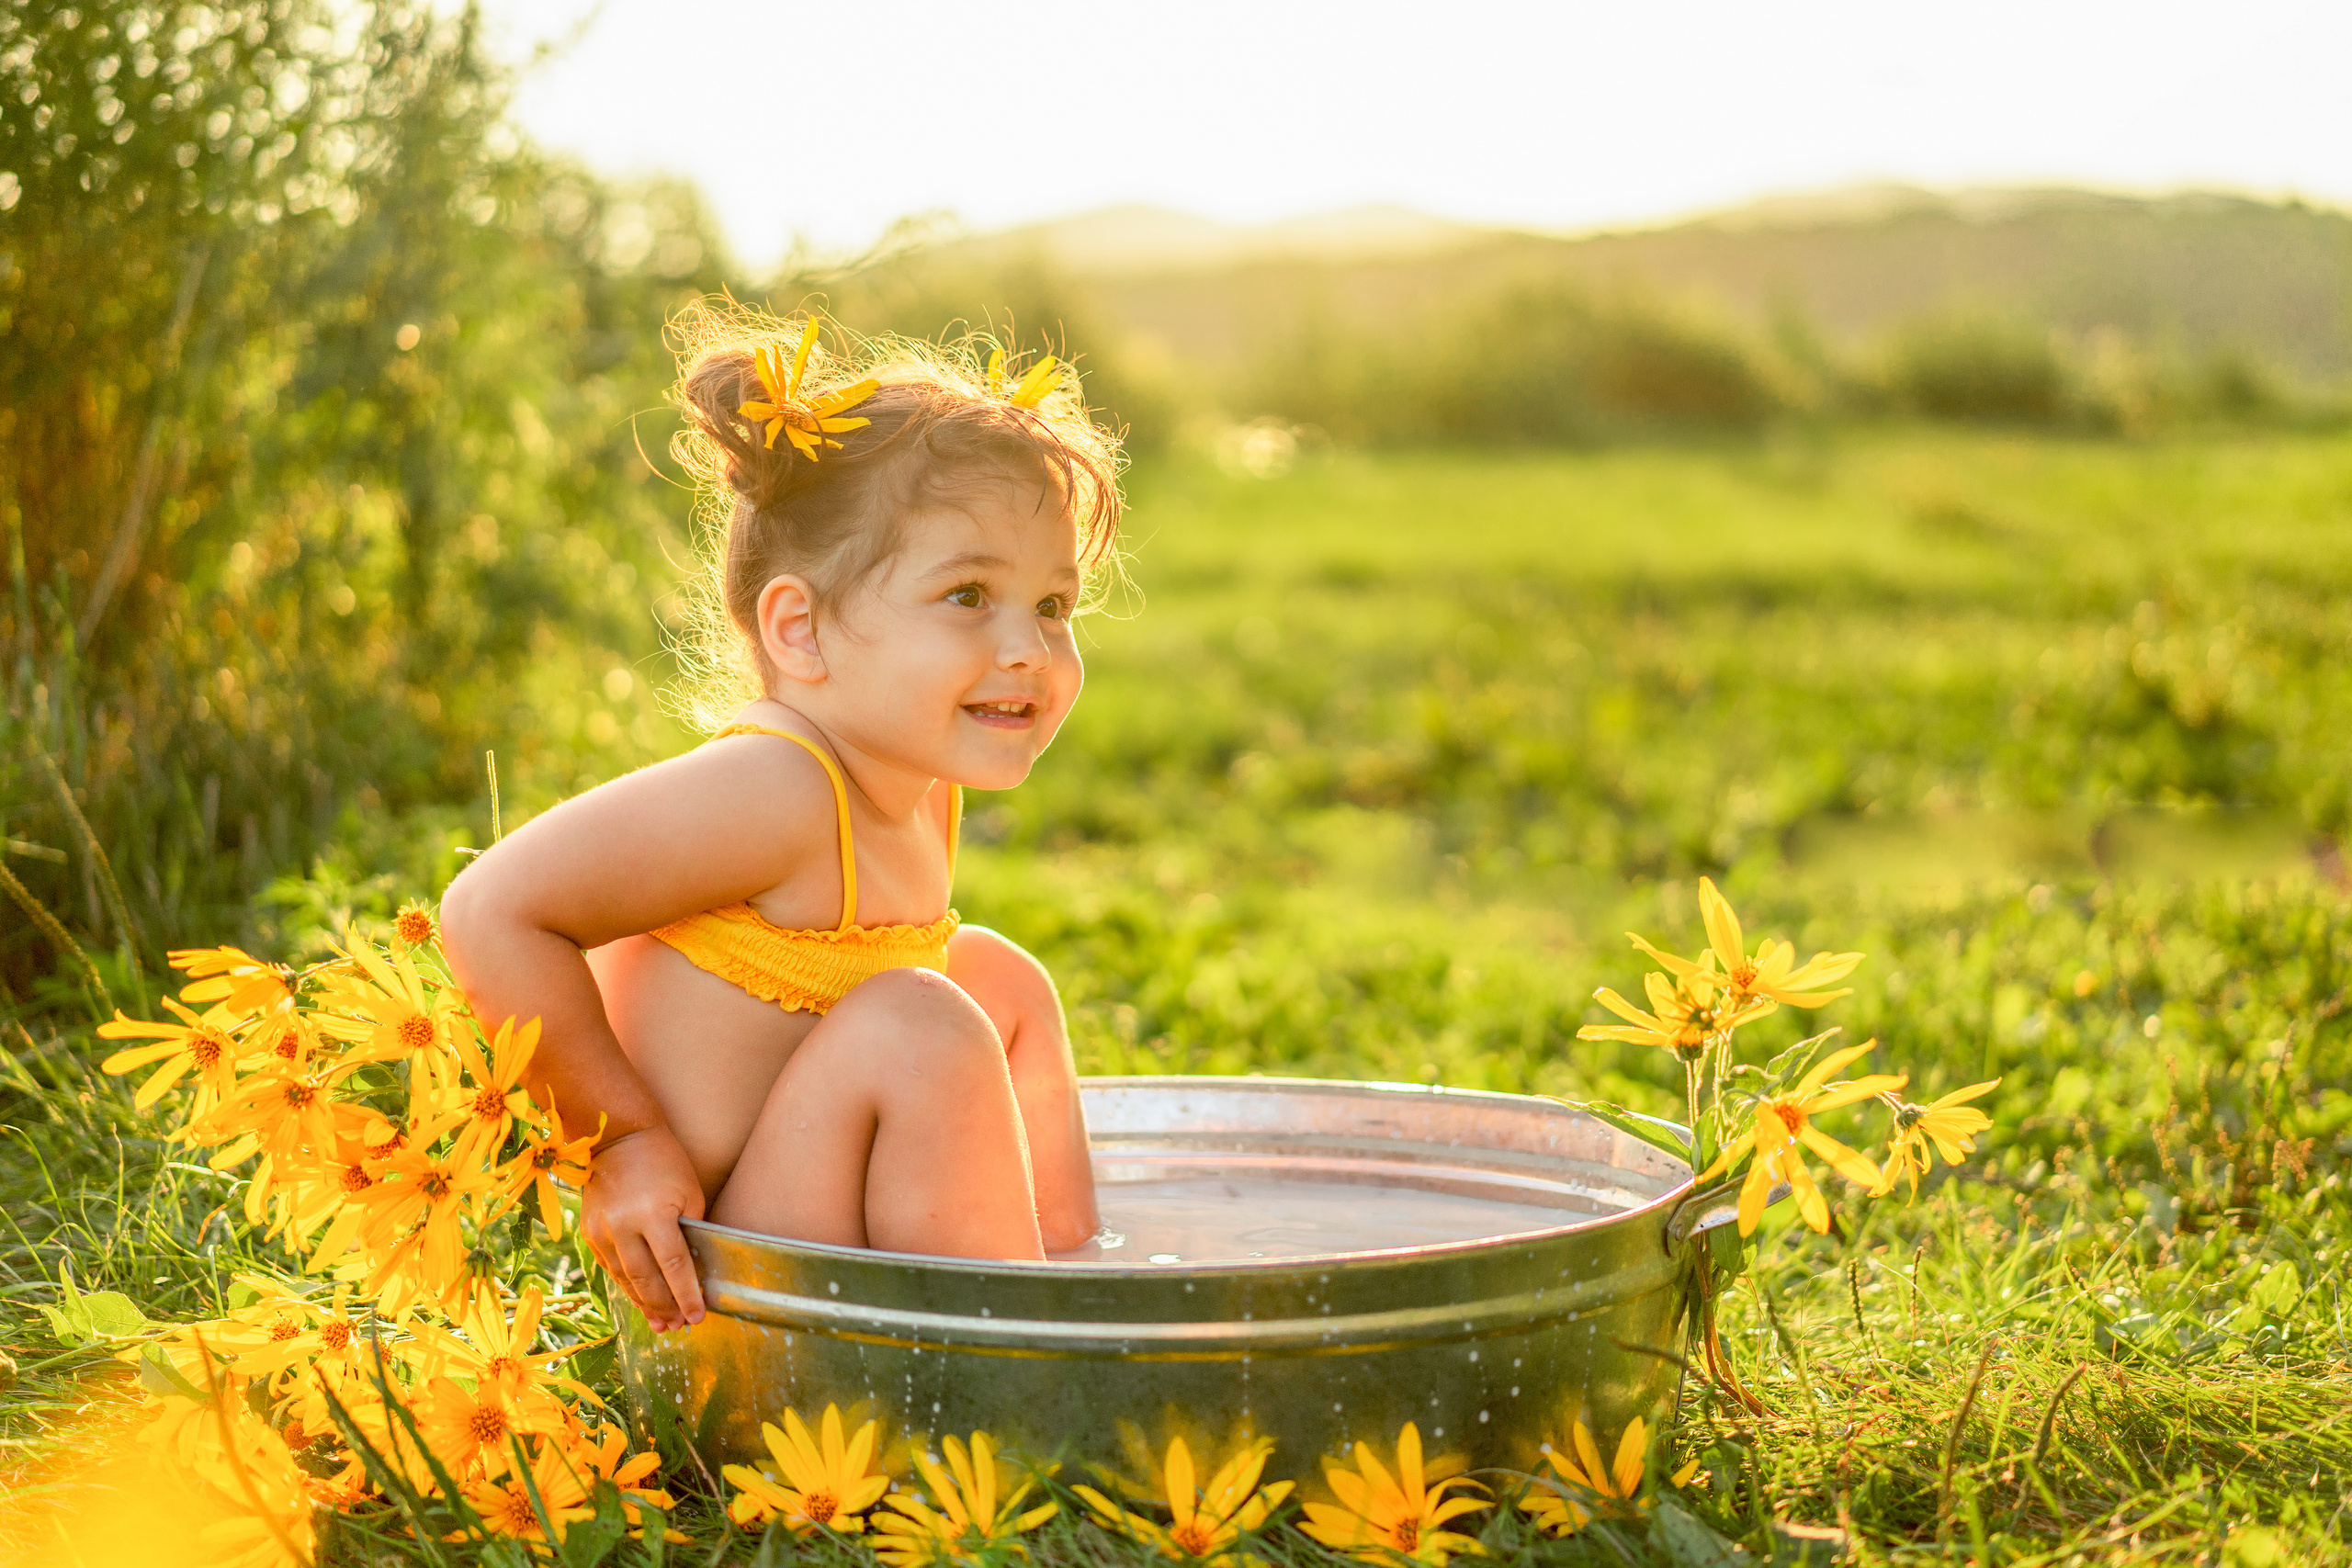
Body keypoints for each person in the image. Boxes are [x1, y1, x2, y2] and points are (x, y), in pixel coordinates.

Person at [439, 305, 1118, 1333]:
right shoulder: (776, 789)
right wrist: (618, 1144)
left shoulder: (921, 781)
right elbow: (491, 907)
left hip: (809, 1203)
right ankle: (1014, 1362)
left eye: (1054, 606)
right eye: (969, 595)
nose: (1028, 647)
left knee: (995, 980)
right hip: (721, 1272)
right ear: (800, 630)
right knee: (922, 1023)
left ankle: (1078, 1281)